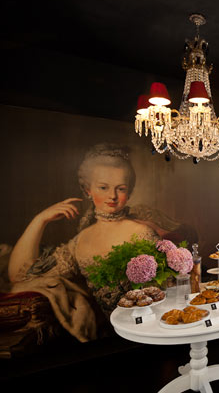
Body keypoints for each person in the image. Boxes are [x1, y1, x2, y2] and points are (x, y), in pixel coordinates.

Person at [8, 144, 160, 342]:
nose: (112, 196)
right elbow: (20, 277)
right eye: (103, 187)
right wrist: (40, 220)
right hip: (103, 338)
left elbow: (162, 291)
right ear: (88, 190)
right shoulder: (80, 241)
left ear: (129, 192)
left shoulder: (141, 232)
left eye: (121, 189)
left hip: (144, 330)